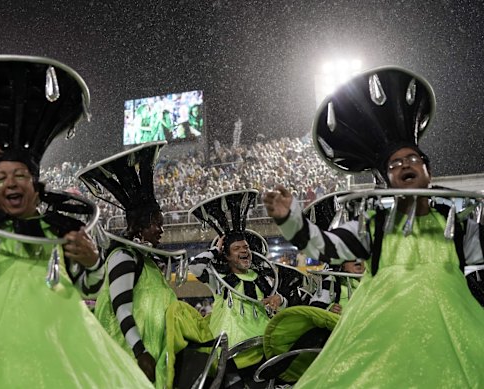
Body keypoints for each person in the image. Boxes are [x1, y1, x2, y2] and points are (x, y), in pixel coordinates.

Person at [0, 55, 153, 388]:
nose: (11, 182)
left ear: (36, 188)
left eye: (20, 175)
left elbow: (88, 288)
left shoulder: (59, 232)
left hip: (51, 352)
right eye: (1, 177)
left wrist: (92, 262)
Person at [263, 66, 484, 387]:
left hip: (453, 333)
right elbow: (324, 246)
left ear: (428, 170)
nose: (406, 164)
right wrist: (290, 219)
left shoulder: (459, 225)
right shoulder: (374, 225)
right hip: (384, 334)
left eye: (414, 159)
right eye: (396, 163)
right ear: (386, 179)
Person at [77, 141, 214, 389]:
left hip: (152, 355)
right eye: (157, 223)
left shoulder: (146, 260)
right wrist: (140, 351)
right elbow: (121, 307)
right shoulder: (123, 256)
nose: (161, 230)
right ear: (141, 224)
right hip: (130, 358)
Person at [188, 189, 287, 388]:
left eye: (246, 247)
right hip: (230, 354)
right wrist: (215, 251)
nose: (244, 251)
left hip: (263, 348)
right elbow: (195, 267)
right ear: (227, 256)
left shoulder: (264, 279)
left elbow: (281, 306)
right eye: (237, 248)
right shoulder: (219, 279)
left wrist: (280, 300)